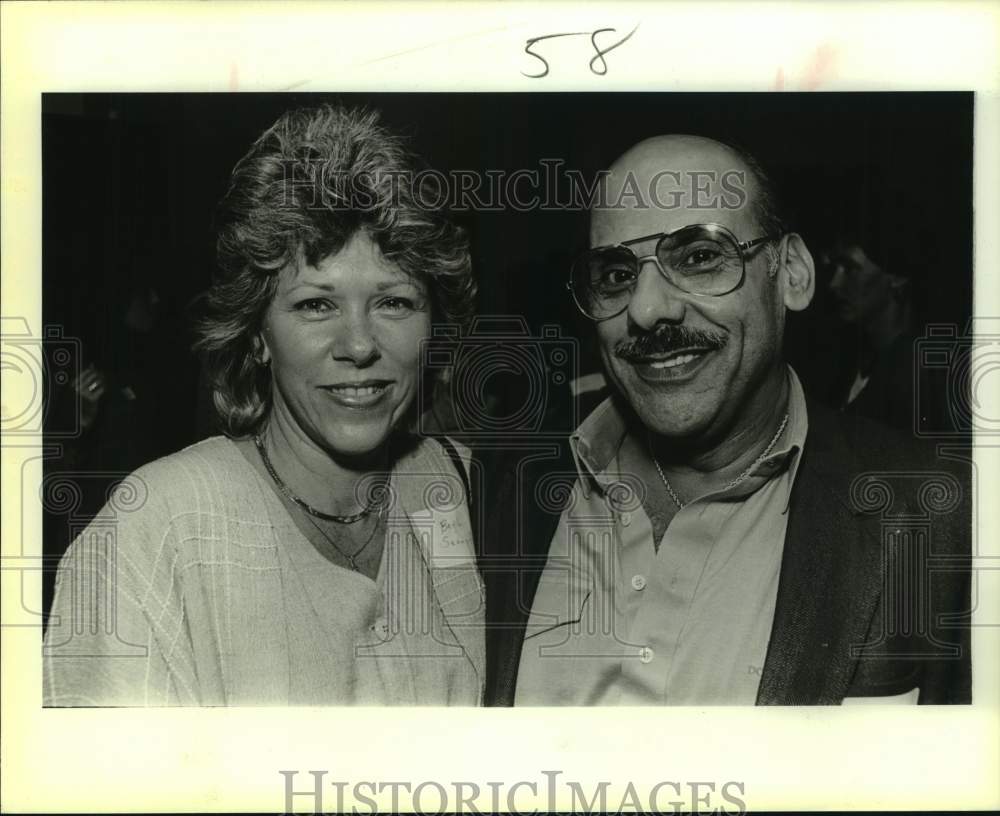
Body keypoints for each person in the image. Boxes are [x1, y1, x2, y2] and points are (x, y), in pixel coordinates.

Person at [483, 135, 970, 706]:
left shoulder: (936, 515)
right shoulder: (499, 498)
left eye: (699, 257)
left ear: (791, 273)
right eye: (616, 275)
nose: (646, 309)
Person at [43, 104, 484, 706]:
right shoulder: (152, 532)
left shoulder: (462, 491)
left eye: (395, 303)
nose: (359, 345)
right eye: (314, 305)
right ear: (256, 332)